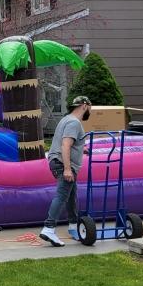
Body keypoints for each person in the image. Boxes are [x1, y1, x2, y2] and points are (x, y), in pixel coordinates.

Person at [39, 96, 92, 246]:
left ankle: (73, 226)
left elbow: (68, 143)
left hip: (59, 161)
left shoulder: (66, 119)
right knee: (62, 195)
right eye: (90, 107)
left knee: (71, 195)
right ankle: (48, 228)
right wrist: (67, 169)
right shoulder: (74, 123)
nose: (90, 110)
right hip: (63, 164)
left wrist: (81, 149)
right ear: (84, 106)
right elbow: (65, 145)